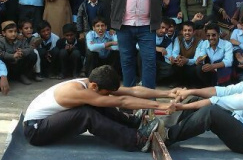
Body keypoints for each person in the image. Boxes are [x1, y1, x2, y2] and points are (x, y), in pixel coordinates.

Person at [73, 0, 202, 89]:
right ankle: (129, 97)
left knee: (149, 62)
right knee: (127, 62)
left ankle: (148, 101)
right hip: (124, 26)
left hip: (147, 27)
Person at [23, 65, 176, 152]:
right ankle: (136, 140)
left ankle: (134, 123)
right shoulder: (76, 91)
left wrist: (167, 93)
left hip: (46, 123)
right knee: (87, 113)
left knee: (99, 102)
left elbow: (132, 90)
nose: (109, 94)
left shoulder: (91, 83)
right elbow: (122, 101)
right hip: (36, 130)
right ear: (95, 86)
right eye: (107, 92)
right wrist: (159, 105)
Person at [165, 57, 243, 155]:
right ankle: (166, 126)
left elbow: (215, 101)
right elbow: (220, 91)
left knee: (211, 112)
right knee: (197, 99)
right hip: (240, 125)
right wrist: (190, 92)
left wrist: (181, 106)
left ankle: (167, 136)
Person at [0, 21, 37, 85]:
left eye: (15, 31)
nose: (13, 34)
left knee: (33, 55)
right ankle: (6, 77)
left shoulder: (21, 39)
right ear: (4, 33)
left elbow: (29, 48)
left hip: (19, 63)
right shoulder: (1, 41)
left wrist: (22, 52)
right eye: (10, 31)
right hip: (8, 64)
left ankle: (22, 75)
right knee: (0, 59)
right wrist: (12, 56)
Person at [167, 21, 204, 88]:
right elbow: (175, 52)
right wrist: (178, 57)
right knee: (175, 65)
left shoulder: (200, 41)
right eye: (185, 30)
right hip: (181, 63)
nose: (187, 33)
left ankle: (192, 85)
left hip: (192, 65)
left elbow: (196, 59)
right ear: (182, 32)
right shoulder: (178, 38)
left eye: (189, 30)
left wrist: (186, 60)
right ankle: (177, 82)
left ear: (194, 32)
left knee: (195, 68)